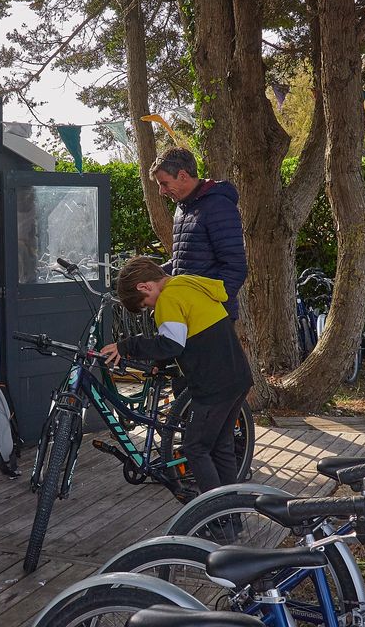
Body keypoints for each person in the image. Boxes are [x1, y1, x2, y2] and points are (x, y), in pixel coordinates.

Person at [100, 256, 254, 498]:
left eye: (146, 304)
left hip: (212, 385)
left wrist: (127, 345)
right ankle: (230, 515)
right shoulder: (185, 284)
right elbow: (185, 333)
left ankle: (215, 516)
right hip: (237, 377)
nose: (151, 308)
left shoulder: (168, 299)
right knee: (221, 446)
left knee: (196, 448)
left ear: (145, 287)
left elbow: (171, 344)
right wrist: (158, 363)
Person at [150, 147, 247, 319]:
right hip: (190, 312)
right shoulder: (183, 208)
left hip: (212, 319)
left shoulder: (218, 206)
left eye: (164, 184)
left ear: (182, 176)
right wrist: (149, 272)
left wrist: (209, 308)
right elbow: (185, 261)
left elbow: (235, 267)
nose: (161, 192)